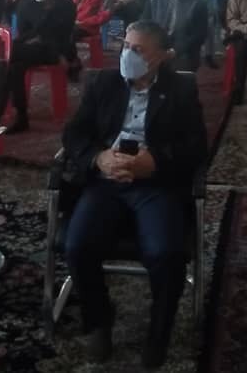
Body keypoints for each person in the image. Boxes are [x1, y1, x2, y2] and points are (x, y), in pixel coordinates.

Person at [61, 21, 208, 369]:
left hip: (155, 184)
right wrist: (98, 158)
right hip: (106, 180)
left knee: (167, 254)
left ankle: (159, 331)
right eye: (126, 46)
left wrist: (155, 162)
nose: (128, 54)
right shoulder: (104, 83)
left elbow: (196, 146)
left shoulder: (180, 90)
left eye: (138, 49)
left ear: (162, 56)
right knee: (77, 246)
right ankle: (99, 320)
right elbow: (74, 134)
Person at [5, 0, 77, 133]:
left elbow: (60, 35)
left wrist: (46, 16)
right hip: (30, 48)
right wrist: (36, 37)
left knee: (10, 53)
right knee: (15, 67)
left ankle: (3, 104)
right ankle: (21, 116)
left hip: (56, 51)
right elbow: (23, 33)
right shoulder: (28, 4)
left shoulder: (66, 7)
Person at [140, 0, 208, 72]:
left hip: (183, 53)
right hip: (156, 49)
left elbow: (199, 36)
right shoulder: (154, 0)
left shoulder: (198, 4)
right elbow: (143, 26)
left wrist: (175, 51)